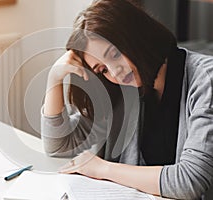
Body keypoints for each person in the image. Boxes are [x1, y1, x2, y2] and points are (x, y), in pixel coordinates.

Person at [41, 0, 213, 199]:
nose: (115, 72)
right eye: (102, 69)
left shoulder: (206, 80)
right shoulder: (124, 90)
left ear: (136, 35)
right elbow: (59, 145)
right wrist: (54, 78)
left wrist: (103, 169)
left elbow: (189, 181)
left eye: (114, 54)